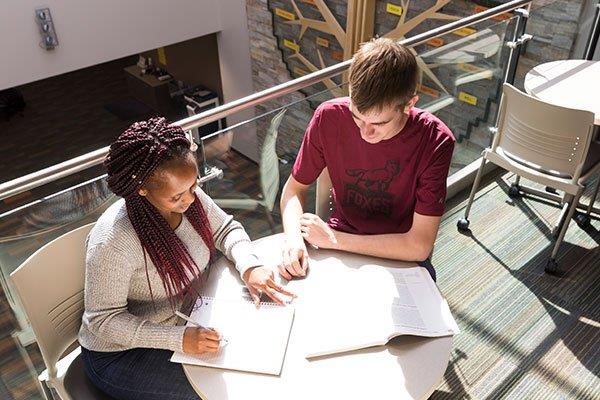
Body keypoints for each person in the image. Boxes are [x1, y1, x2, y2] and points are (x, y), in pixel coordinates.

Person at [78, 117, 293, 400]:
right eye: (177, 196)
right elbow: (103, 321)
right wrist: (177, 340)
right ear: (142, 189)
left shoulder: (187, 194)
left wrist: (249, 265)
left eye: (194, 186)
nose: (191, 199)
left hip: (185, 320)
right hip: (121, 354)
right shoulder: (113, 242)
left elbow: (226, 229)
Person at [279, 38, 455, 282]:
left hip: (399, 253)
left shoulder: (435, 140)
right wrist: (293, 240)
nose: (365, 133)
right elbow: (293, 189)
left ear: (409, 105)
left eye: (379, 123)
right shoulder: (329, 117)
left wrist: (334, 240)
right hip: (339, 240)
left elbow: (419, 246)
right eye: (357, 117)